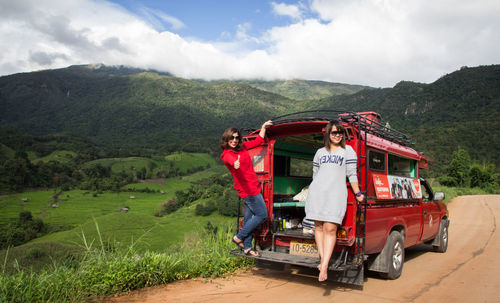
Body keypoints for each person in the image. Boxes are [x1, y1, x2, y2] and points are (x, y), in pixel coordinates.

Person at [305, 120, 364, 282]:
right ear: (328, 134)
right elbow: (315, 175)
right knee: (318, 227)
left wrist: (357, 192)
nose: (337, 135)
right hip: (317, 193)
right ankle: (324, 262)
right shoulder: (319, 153)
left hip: (336, 194)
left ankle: (323, 265)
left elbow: (352, 174)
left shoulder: (348, 151)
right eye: (334, 132)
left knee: (330, 228)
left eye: (340, 132)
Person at [220, 120, 273, 257]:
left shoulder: (242, 148)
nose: (235, 140)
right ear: (226, 139)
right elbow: (231, 162)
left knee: (249, 219)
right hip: (248, 191)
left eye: (237, 137)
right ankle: (238, 237)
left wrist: (263, 128)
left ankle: (247, 247)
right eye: (232, 137)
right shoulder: (227, 154)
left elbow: (258, 141)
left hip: (253, 187)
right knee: (262, 215)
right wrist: (235, 164)